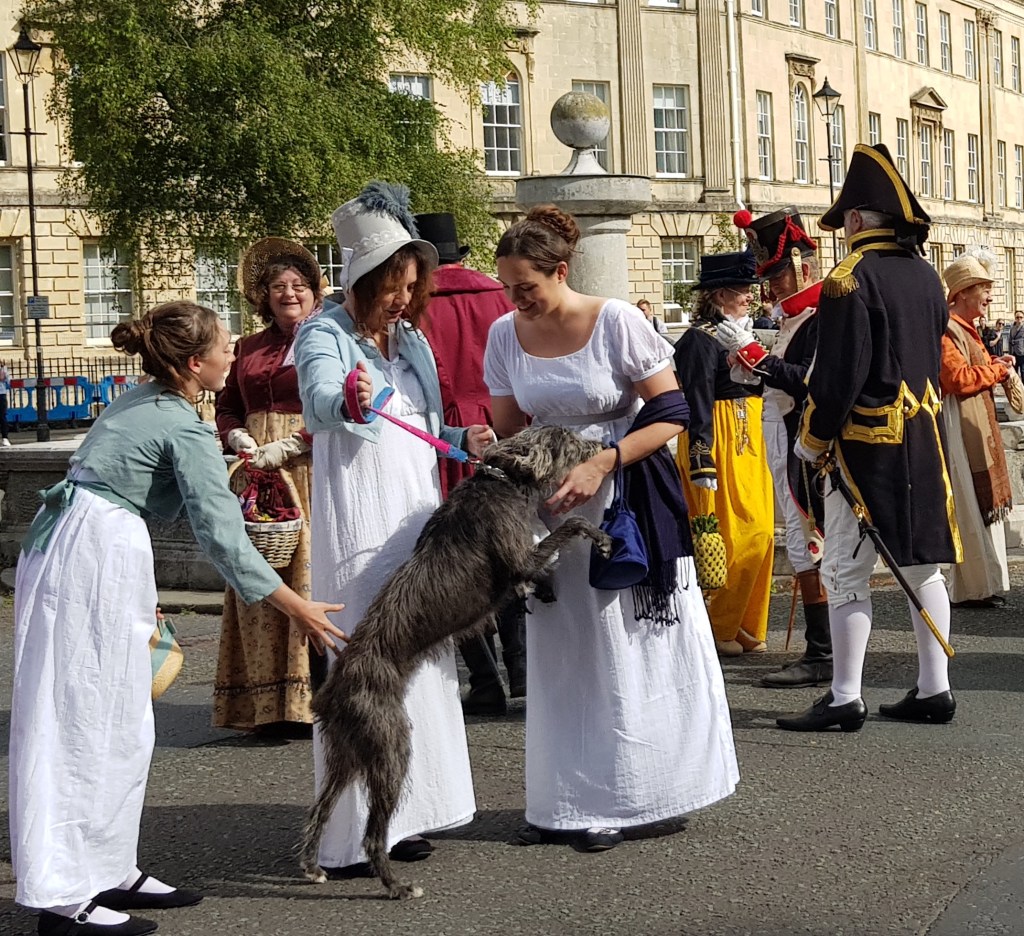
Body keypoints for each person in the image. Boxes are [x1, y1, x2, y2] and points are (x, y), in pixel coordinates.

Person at [9, 301, 345, 936]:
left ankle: (107, 866)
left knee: (118, 718)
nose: (233, 353)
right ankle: (61, 894)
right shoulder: (178, 421)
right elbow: (222, 534)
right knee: (81, 717)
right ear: (195, 363)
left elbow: (150, 488)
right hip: (93, 550)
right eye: (224, 346)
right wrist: (295, 604)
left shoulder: (148, 399)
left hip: (84, 544)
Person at [484, 205, 738, 853]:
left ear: (560, 270)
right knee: (564, 654)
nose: (516, 300)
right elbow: (510, 427)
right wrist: (491, 446)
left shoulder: (616, 320)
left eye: (525, 287)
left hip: (624, 500)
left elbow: (673, 410)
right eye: (508, 288)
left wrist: (603, 461)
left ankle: (631, 796)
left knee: (625, 649)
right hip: (552, 506)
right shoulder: (505, 335)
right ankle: (565, 801)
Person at [294, 182, 492, 872]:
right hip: (360, 513)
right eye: (393, 286)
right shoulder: (323, 333)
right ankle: (351, 831)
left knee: (420, 656)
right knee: (366, 661)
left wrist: (467, 437)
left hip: (413, 511)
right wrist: (346, 399)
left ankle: (407, 811)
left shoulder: (410, 339)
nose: (405, 299)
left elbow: (423, 427)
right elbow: (320, 400)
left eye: (412, 286)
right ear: (363, 278)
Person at [779, 143, 961, 733]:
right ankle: (934, 688)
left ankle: (844, 696)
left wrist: (811, 441)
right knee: (923, 569)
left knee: (844, 570)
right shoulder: (927, 275)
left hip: (865, 446)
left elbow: (837, 378)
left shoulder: (848, 279)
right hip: (924, 440)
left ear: (856, 218)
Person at [414, 211, 526, 716]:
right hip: (503, 421)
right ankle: (522, 666)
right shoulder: (499, 294)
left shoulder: (417, 302)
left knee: (455, 555)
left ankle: (484, 679)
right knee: (508, 543)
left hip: (449, 432)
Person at [214, 239, 325, 734]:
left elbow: (341, 406)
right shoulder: (249, 348)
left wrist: (296, 442)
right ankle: (265, 702)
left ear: (315, 291)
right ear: (263, 295)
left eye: (298, 285)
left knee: (307, 574)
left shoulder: (327, 340)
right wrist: (236, 433)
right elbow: (227, 405)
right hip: (256, 471)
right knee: (256, 574)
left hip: (307, 468)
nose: (289, 293)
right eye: (279, 286)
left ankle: (312, 697)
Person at [725, 207, 831, 687]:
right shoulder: (793, 318)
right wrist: (751, 368)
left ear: (802, 269)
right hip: (780, 436)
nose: (771, 289)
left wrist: (756, 357)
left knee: (810, 542)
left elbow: (808, 381)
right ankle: (821, 648)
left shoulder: (820, 317)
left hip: (801, 441)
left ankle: (823, 651)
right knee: (801, 538)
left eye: (777, 276)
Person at [673, 249, 774, 656]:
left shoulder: (742, 334)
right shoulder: (699, 339)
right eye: (742, 289)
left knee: (762, 533)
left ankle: (743, 620)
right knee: (728, 537)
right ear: (719, 296)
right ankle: (718, 623)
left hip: (749, 441)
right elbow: (696, 399)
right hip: (718, 439)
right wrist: (702, 459)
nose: (750, 296)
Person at [940, 248, 1013, 608]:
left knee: (979, 506)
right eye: (984, 289)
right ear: (963, 292)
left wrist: (997, 363)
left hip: (973, 421)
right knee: (968, 504)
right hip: (958, 426)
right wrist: (998, 370)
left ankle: (986, 583)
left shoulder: (966, 329)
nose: (990, 296)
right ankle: (971, 588)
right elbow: (956, 379)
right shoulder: (948, 330)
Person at [1009, 310, 1024, 378]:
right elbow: (1010, 340)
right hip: (1014, 353)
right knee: (1015, 371)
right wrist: (1010, 354)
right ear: (1015, 318)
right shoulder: (1012, 329)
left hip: (1022, 353)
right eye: (1017, 317)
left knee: (1023, 371)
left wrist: (1016, 341)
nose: (1019, 319)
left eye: (1021, 317)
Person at [0, 358, 10, 446]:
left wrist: (5, 375)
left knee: (2, 416)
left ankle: (5, 437)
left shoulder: (3, 369)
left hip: (1, 394)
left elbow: (9, 382)